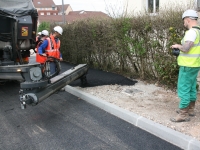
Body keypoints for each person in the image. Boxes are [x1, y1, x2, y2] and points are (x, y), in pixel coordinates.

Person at [170, 9, 200, 122]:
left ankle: (183, 114)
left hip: (187, 66)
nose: (184, 24)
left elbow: (186, 48)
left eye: (184, 21)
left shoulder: (191, 32)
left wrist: (178, 46)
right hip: (195, 65)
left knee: (183, 89)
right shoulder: (199, 31)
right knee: (192, 88)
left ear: (188, 20)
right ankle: (190, 110)